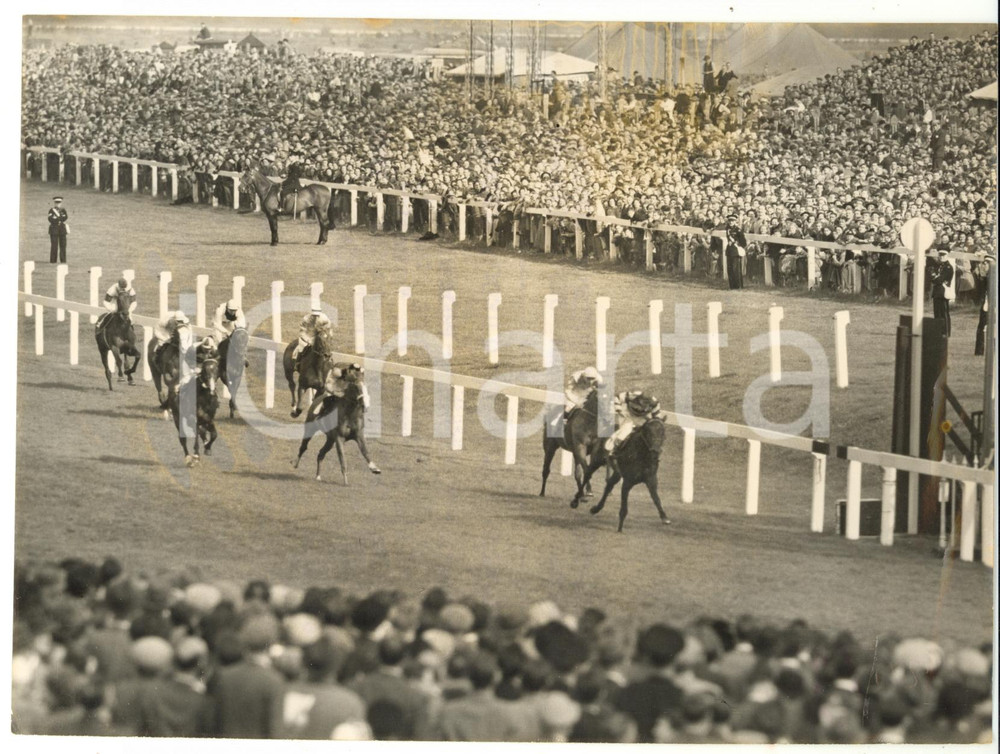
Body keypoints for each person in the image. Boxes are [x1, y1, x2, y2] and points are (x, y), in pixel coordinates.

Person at [605, 390, 661, 473]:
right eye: (642, 402)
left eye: (646, 403)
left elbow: (657, 417)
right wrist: (619, 410)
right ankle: (614, 451)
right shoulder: (631, 395)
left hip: (642, 417)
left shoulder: (655, 403)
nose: (643, 404)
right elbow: (616, 397)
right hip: (628, 415)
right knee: (626, 430)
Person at [929, 249, 955, 336]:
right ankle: (938, 331)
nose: (941, 257)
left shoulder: (948, 267)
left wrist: (934, 276)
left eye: (943, 255)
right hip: (937, 291)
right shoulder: (939, 266)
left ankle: (946, 332)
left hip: (943, 291)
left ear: (947, 256)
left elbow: (939, 279)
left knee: (944, 313)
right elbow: (932, 278)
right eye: (940, 255)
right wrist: (934, 277)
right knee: (937, 312)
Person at [723, 214, 748, 290]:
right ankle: (732, 286)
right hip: (730, 250)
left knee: (736, 269)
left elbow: (743, 242)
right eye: (730, 221)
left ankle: (738, 286)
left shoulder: (738, 230)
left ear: (735, 221)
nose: (731, 222)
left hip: (736, 251)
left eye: (732, 221)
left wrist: (737, 243)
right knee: (730, 269)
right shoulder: (727, 229)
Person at [48, 196, 68, 264]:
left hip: (62, 229)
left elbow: (65, 217)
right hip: (54, 229)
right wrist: (59, 219)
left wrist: (57, 219)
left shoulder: (63, 210)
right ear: (54, 203)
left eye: (59, 203)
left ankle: (63, 260)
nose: (58, 204)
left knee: (63, 245)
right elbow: (50, 219)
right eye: (56, 203)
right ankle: (53, 260)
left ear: (61, 203)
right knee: (54, 245)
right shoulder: (51, 210)